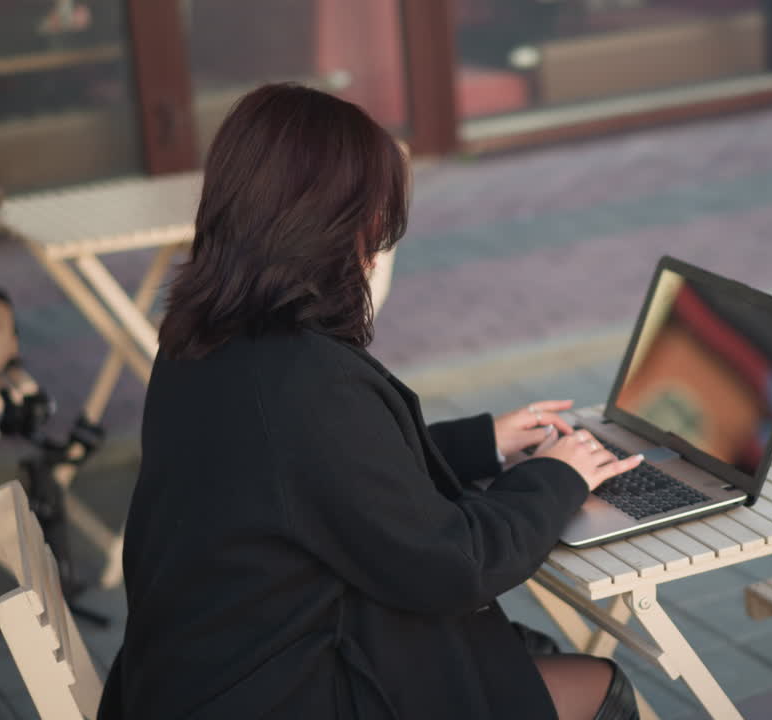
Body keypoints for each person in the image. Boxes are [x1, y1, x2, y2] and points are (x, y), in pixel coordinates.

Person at [97, 83, 645, 719]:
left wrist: (480, 444)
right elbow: (450, 565)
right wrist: (559, 475)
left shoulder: (202, 338)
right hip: (282, 692)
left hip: (201, 671)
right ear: (336, 226)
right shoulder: (301, 377)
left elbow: (316, 486)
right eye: (376, 220)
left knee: (515, 652)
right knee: (597, 690)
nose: (379, 241)